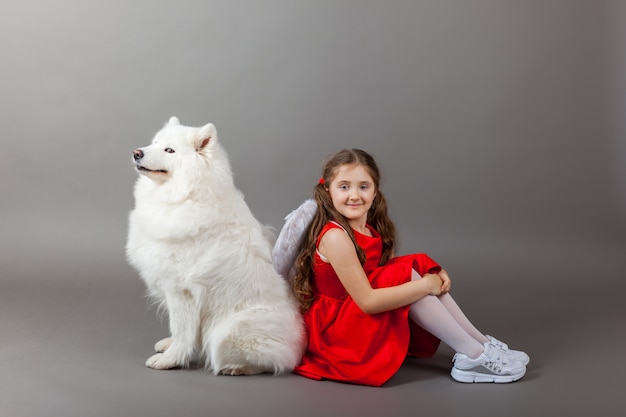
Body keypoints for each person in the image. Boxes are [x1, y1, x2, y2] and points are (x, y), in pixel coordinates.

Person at [290, 149, 529, 386]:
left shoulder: (368, 228)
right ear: (327, 190)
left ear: (375, 191)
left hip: (353, 314)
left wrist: (428, 273)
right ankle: (473, 356)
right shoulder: (336, 237)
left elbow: (380, 273)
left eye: (364, 186)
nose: (355, 195)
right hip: (335, 333)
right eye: (344, 186)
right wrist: (424, 285)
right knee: (407, 278)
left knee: (413, 267)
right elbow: (367, 301)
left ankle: (480, 344)